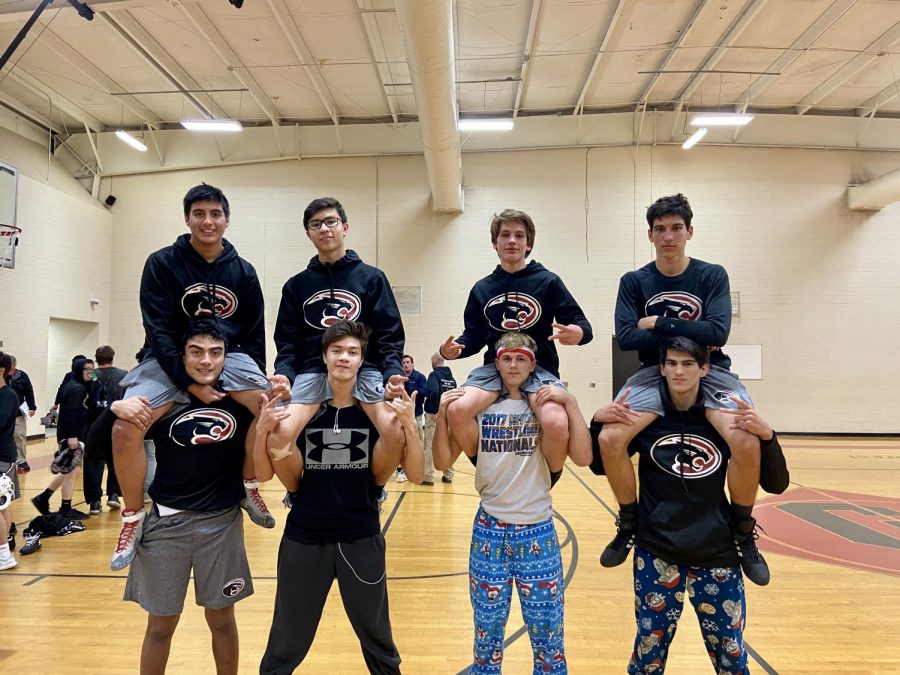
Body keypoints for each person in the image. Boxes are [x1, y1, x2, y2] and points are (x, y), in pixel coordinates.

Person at [598, 193, 770, 586]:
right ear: (650, 235)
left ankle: (742, 531)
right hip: (654, 371)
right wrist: (692, 330)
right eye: (660, 229)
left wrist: (657, 323)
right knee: (610, 438)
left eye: (676, 228)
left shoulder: (711, 275)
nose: (669, 236)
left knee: (745, 442)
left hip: (709, 369)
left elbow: (718, 333)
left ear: (689, 232)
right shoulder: (635, 281)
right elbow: (626, 338)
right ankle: (629, 520)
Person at [591, 336, 789, 673]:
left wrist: (768, 437)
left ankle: (743, 534)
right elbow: (599, 463)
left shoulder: (724, 421)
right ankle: (627, 526)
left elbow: (776, 483)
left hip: (716, 551)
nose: (678, 371)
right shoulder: (648, 419)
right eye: (671, 364)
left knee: (730, 654)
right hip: (657, 550)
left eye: (687, 364)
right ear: (662, 369)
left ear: (705, 368)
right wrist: (597, 421)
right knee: (648, 655)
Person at [110, 183, 276, 572]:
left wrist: (247, 379)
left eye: (215, 214)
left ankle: (249, 486)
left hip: (227, 356)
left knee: (269, 406)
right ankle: (132, 516)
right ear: (187, 219)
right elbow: (157, 330)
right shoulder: (162, 263)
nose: (208, 221)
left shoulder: (243, 271)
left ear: (227, 220)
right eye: (199, 213)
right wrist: (191, 384)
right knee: (124, 428)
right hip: (167, 357)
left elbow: (253, 335)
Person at [255, 320, 423, 675]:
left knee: (377, 635)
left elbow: (414, 466)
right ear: (324, 357)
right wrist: (265, 430)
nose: (344, 358)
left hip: (360, 535)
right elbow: (272, 460)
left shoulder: (375, 415)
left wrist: (406, 422)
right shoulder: (303, 413)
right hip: (306, 535)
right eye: (337, 351)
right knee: (288, 636)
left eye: (352, 352)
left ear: (362, 361)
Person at [432, 332, 592, 674]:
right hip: (489, 528)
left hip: (537, 528)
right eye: (507, 358)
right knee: (486, 628)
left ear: (533, 364)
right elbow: (442, 462)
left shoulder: (547, 409)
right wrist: (442, 414)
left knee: (547, 632)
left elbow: (583, 457)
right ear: (497, 363)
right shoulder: (480, 408)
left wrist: (572, 402)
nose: (513, 365)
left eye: (521, 359)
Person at [113, 320, 256, 675]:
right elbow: (109, 434)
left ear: (227, 357)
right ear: (181, 356)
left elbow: (272, 417)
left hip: (221, 523)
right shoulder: (164, 398)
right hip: (165, 524)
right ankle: (130, 518)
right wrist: (117, 406)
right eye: (196, 352)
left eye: (215, 352)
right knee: (160, 625)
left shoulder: (238, 399)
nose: (206, 360)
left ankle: (251, 491)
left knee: (222, 619)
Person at [439, 209, 592, 481]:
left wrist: (578, 332)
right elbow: (473, 336)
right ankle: (486, 466)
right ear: (494, 243)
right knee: (457, 409)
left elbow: (581, 323)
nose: (512, 240)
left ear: (528, 244)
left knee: (555, 422)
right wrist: (454, 350)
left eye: (519, 235)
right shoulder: (482, 288)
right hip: (494, 370)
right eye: (505, 235)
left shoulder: (548, 281)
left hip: (539, 369)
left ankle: (549, 476)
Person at [268, 197, 408, 471]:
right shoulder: (296, 286)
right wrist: (284, 373)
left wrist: (391, 372)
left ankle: (375, 489)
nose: (324, 229)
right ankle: (297, 492)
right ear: (308, 233)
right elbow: (287, 342)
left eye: (330, 221)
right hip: (312, 370)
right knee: (279, 436)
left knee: (395, 432)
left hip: (363, 369)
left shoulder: (372, 278)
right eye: (315, 224)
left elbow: (389, 334)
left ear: (345, 227)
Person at [31, 357, 94, 521]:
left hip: (73, 434)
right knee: (73, 471)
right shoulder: (77, 389)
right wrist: (72, 436)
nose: (90, 372)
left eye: (92, 369)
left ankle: (44, 497)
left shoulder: (76, 384)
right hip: (72, 436)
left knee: (71, 470)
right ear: (79, 369)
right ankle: (65, 507)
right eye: (87, 369)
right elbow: (71, 414)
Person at [83, 345, 126, 514]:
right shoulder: (123, 375)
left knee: (94, 462)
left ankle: (95, 501)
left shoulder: (91, 375)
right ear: (112, 357)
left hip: (94, 424)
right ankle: (114, 494)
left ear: (97, 359)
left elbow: (85, 399)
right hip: (116, 424)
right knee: (115, 461)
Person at [0, 351, 22, 570]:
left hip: (2, 457)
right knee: (3, 504)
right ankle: (5, 549)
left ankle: (4, 555)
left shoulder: (8, 395)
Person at [423, 352, 457, 485]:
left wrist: (435, 410)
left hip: (435, 414)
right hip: (448, 415)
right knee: (445, 444)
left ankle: (428, 476)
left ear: (434, 361)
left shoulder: (434, 375)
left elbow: (433, 391)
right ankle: (448, 474)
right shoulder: (451, 378)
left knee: (430, 444)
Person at [397, 354, 426, 484]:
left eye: (408, 362)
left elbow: (425, 392)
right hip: (400, 418)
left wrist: (411, 389)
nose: (406, 365)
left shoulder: (419, 377)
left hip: (417, 416)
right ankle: (400, 472)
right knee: (400, 445)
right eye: (403, 363)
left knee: (417, 444)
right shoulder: (397, 379)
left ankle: (417, 471)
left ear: (412, 364)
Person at [7, 355, 36, 474]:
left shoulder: (21, 375)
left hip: (18, 413)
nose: (12, 371)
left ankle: (21, 460)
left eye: (13, 368)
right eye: (10, 368)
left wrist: (32, 406)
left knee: (20, 436)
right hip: (4, 413)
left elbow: (29, 390)